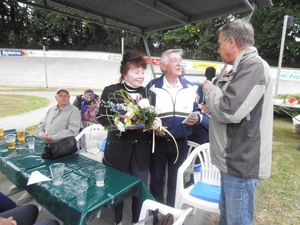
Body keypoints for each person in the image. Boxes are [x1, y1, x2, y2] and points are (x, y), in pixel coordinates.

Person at [203, 19, 273, 225]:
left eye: (220, 43)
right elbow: (232, 103)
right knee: (227, 216)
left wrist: (210, 90)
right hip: (232, 160)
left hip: (240, 162)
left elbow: (228, 109)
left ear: (231, 42)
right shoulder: (242, 66)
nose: (218, 49)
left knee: (237, 220)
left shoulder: (254, 67)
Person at [97, 51, 160, 225]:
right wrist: (119, 123)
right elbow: (101, 118)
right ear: (125, 73)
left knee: (139, 189)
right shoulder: (111, 92)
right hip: (117, 149)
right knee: (117, 189)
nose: (140, 76)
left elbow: (151, 119)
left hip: (141, 151)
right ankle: (117, 221)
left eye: (142, 72)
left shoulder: (149, 95)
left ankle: (136, 222)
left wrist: (155, 122)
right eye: (136, 72)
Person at [146, 49, 209, 207]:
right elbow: (144, 113)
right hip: (158, 143)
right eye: (174, 60)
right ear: (163, 66)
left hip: (181, 143)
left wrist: (198, 118)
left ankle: (170, 215)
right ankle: (158, 214)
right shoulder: (153, 87)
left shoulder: (190, 87)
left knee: (175, 181)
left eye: (180, 60)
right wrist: (151, 120)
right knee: (156, 181)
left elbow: (199, 111)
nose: (179, 63)